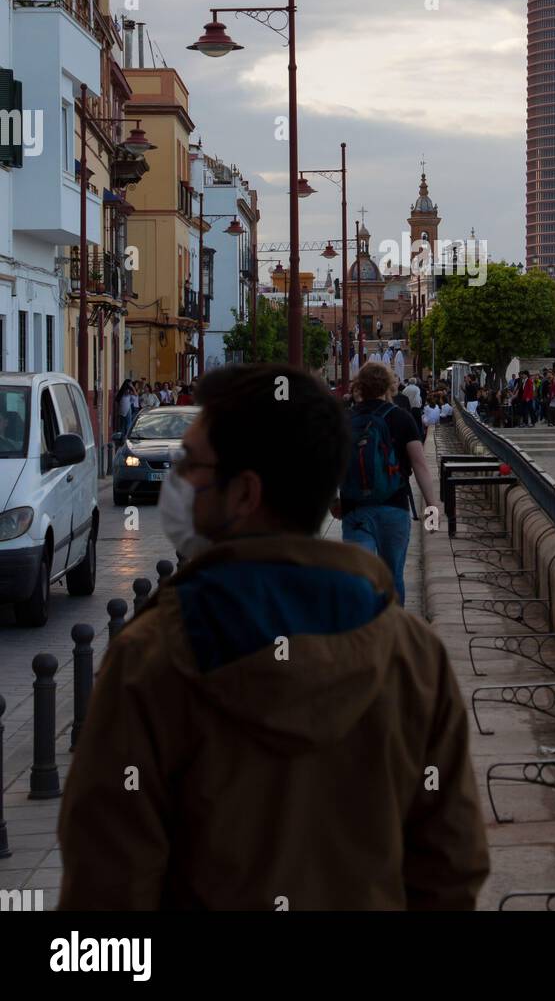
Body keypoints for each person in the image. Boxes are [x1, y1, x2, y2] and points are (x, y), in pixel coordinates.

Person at [57, 363, 488, 911]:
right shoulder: (413, 656)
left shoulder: (153, 661)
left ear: (244, 494)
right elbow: (452, 868)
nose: (179, 480)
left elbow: (106, 894)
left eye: (193, 463)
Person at [337, 362, 437, 606]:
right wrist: (432, 507)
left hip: (355, 509)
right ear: (391, 386)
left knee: (360, 576)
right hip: (394, 507)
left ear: (359, 386)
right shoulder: (401, 418)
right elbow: (420, 465)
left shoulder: (346, 420)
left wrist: (332, 502)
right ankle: (392, 634)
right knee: (393, 577)